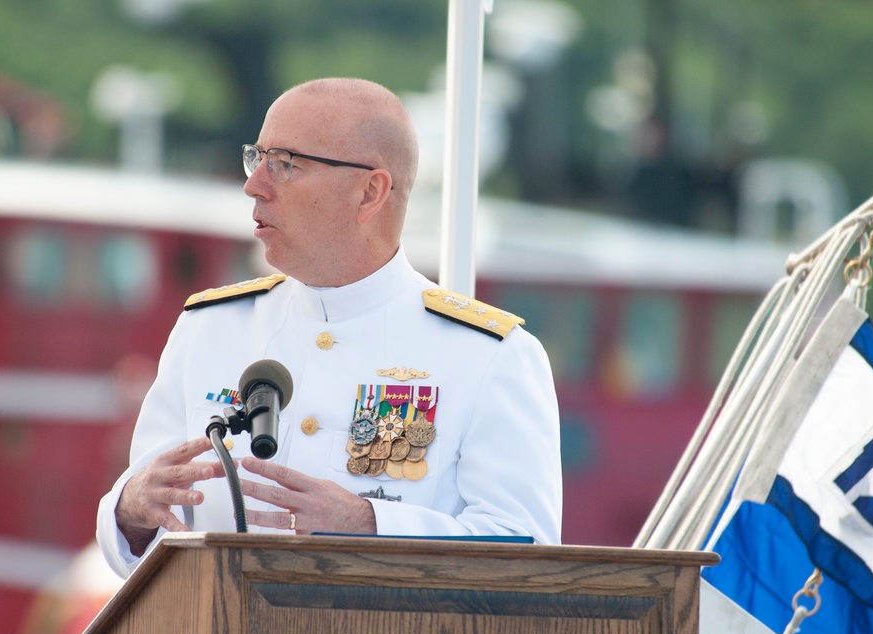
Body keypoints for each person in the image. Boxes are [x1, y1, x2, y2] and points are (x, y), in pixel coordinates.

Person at [96, 78, 562, 578]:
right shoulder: (209, 329)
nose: (255, 184)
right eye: (257, 159)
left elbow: (525, 549)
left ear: (369, 191)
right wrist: (130, 508)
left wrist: (370, 524)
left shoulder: (490, 354)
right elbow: (135, 537)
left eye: (286, 164)